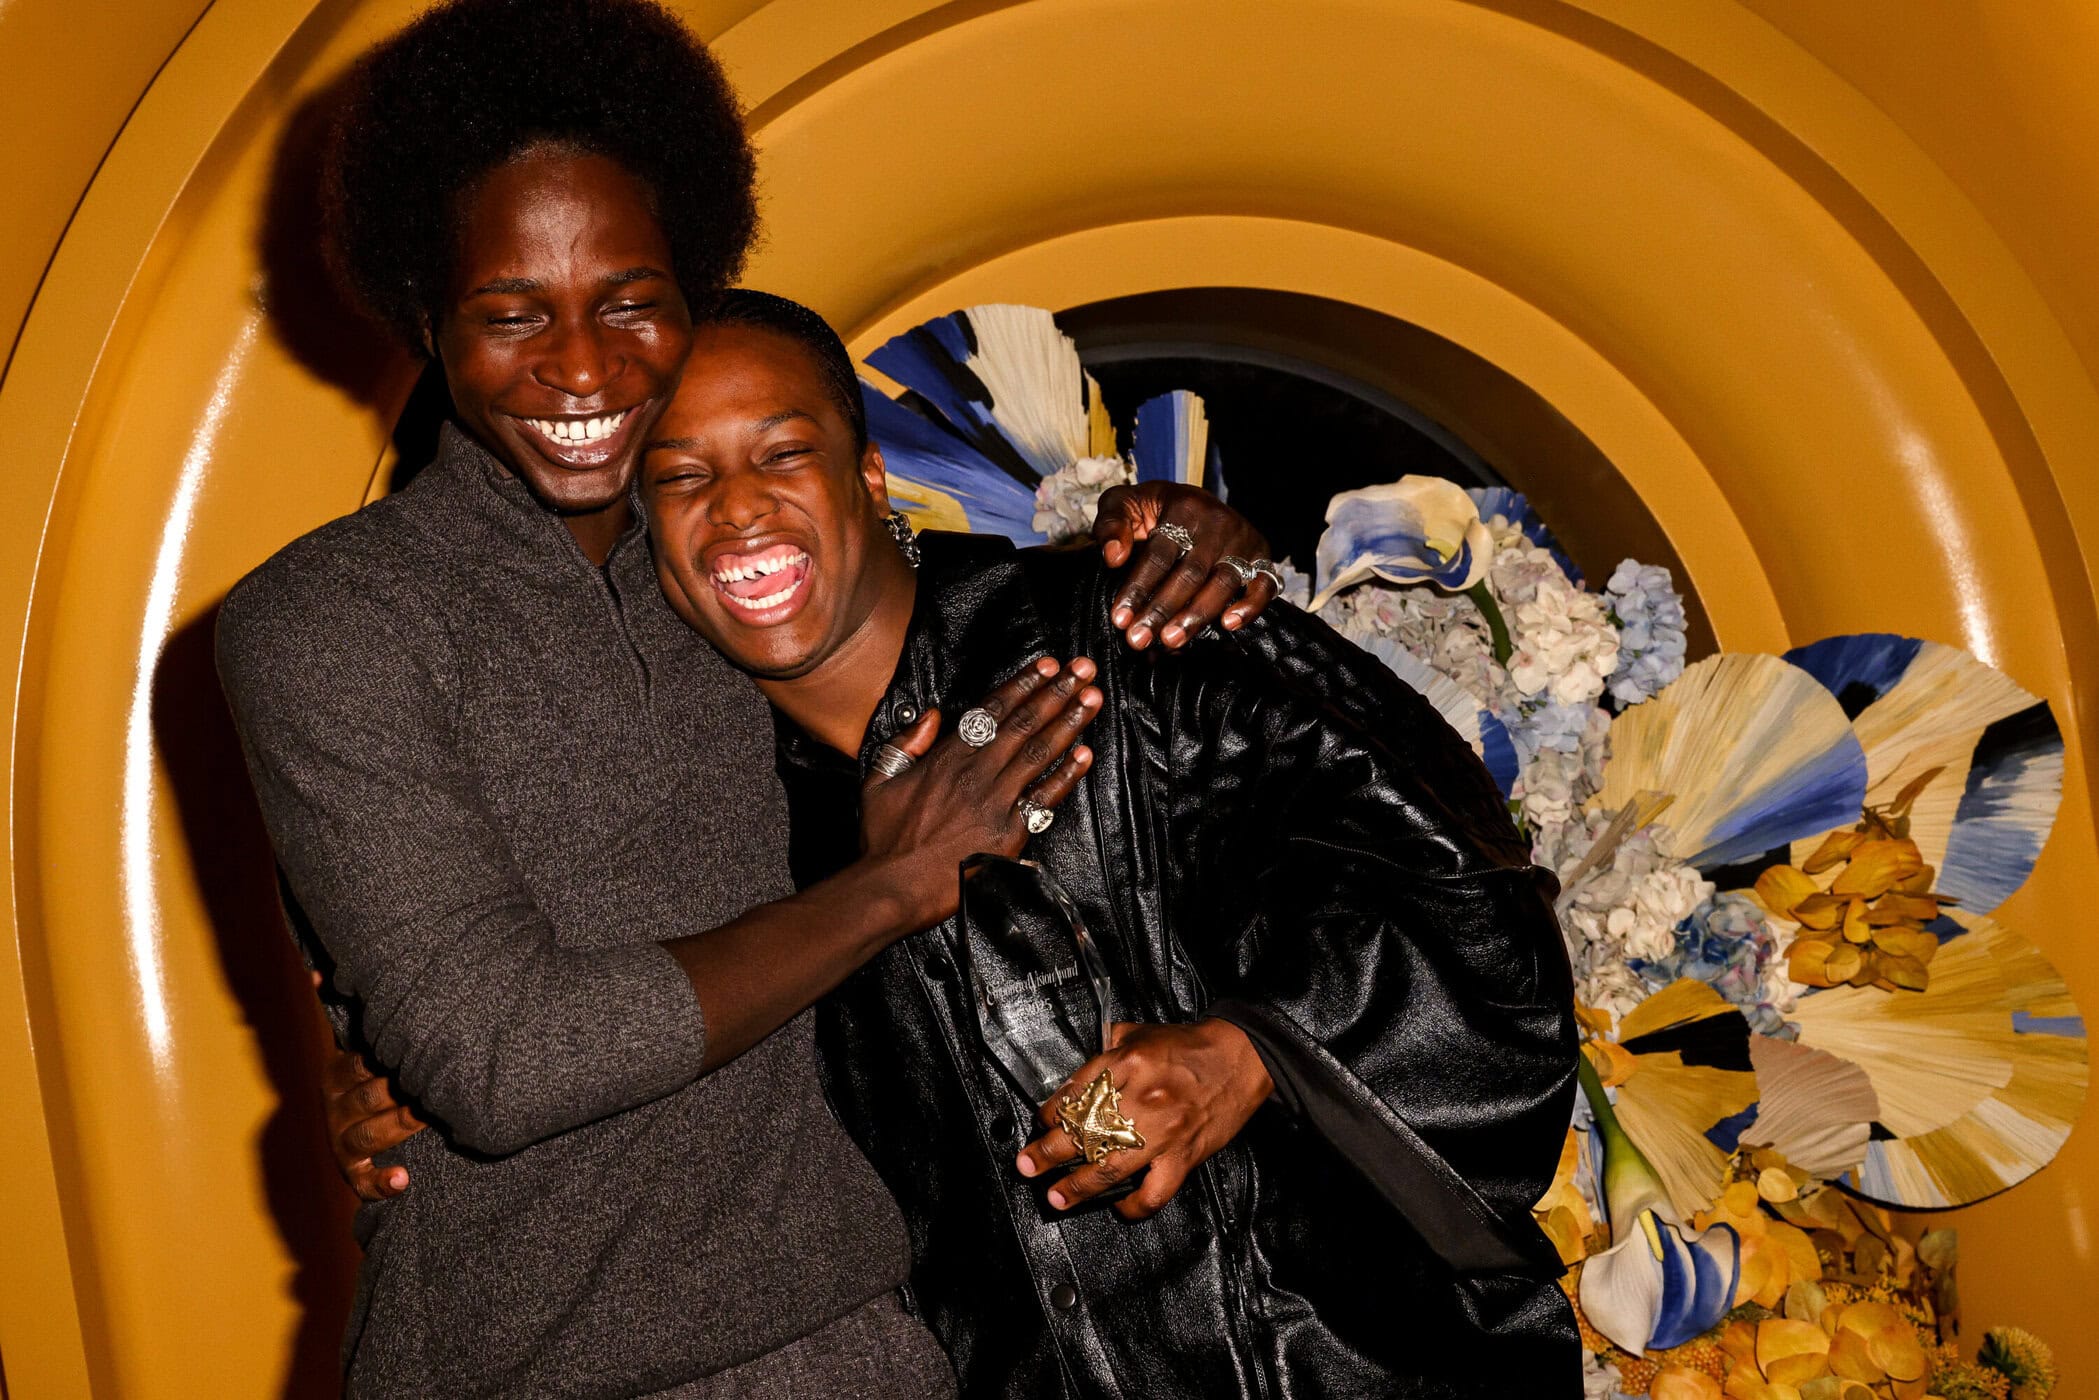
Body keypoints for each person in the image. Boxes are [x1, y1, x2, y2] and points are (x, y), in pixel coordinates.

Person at [217, 1, 1275, 1394]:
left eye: (630, 301)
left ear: (693, 290)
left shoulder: (728, 573)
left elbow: (946, 621)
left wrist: (1180, 539)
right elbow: (504, 1062)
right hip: (532, 1365)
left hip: (877, 1337)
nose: (582, 366)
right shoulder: (327, 620)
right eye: (511, 314)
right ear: (427, 316)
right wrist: (891, 886)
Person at [629, 292, 1584, 1397]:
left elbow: (1480, 907)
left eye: (783, 451)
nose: (737, 505)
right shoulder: (724, 845)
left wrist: (1250, 1052)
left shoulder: (1140, 628)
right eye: (681, 475)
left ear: (871, 477)